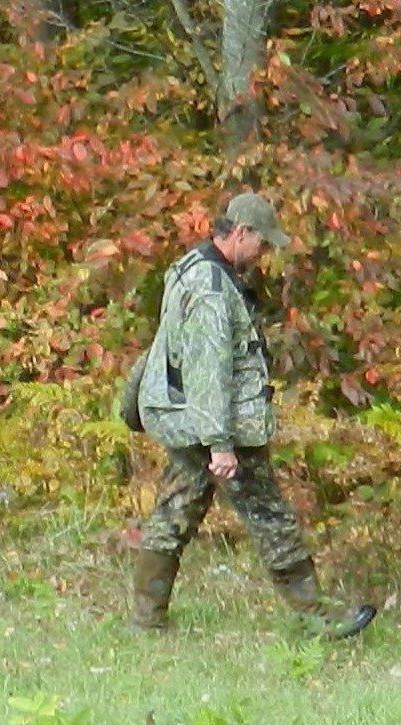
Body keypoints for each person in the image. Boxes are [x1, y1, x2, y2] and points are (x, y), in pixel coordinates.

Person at [120, 192, 375, 638]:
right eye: (262, 243)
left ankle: (146, 623)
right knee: (269, 514)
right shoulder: (214, 291)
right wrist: (220, 443)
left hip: (186, 420)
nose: (264, 254)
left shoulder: (189, 267)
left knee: (173, 515)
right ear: (240, 233)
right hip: (215, 424)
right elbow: (208, 369)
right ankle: (316, 619)